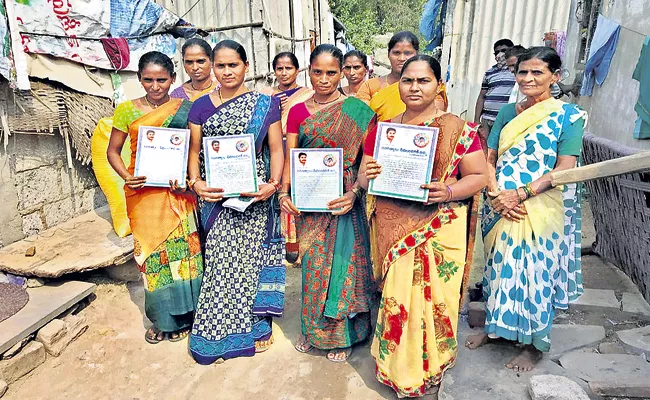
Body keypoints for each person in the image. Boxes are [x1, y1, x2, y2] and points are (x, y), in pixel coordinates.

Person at [359, 54, 487, 397]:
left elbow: (478, 176)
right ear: (398, 84)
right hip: (394, 224)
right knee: (399, 297)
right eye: (407, 80)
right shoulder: (383, 130)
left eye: (423, 80)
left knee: (435, 301)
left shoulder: (459, 130)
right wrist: (365, 176)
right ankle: (400, 368)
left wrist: (447, 190)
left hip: (440, 224)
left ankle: (432, 364)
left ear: (438, 85)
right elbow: (363, 177)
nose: (414, 87)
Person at [466, 47, 586, 372]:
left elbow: (564, 169)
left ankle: (533, 346)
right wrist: (494, 193)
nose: (528, 79)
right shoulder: (506, 112)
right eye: (523, 72)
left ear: (555, 76)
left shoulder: (568, 117)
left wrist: (518, 195)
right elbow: (489, 157)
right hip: (498, 205)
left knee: (534, 276)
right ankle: (496, 330)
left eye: (537, 72)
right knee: (497, 270)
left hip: (538, 208)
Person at [186, 40, 285, 364]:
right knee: (221, 264)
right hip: (216, 198)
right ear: (213, 68)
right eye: (221, 66)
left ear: (245, 66)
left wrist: (273, 185)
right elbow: (194, 151)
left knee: (252, 263)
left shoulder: (265, 104)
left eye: (233, 65)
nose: (227, 72)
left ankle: (256, 326)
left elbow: (276, 149)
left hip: (254, 196)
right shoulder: (200, 106)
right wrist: (197, 183)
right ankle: (218, 333)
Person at [280, 44, 375, 363]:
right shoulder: (296, 111)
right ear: (308, 71)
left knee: (343, 266)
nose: (324, 79)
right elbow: (292, 159)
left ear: (343, 72)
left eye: (332, 72)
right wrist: (284, 192)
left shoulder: (358, 111)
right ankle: (313, 329)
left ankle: (344, 334)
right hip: (310, 203)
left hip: (345, 199)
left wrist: (356, 194)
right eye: (317, 72)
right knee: (314, 267)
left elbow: (367, 160)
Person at [106, 51, 203, 344]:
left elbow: (192, 151)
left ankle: (188, 317)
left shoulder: (186, 108)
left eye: (161, 80)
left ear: (173, 79)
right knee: (152, 259)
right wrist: (126, 175)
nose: (155, 86)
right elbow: (113, 151)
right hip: (143, 194)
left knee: (184, 256)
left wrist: (188, 180)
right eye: (148, 80)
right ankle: (163, 319)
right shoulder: (126, 110)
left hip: (177, 194)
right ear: (139, 79)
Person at [357, 31, 448, 120]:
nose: (401, 58)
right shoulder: (370, 86)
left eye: (407, 53)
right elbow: (360, 119)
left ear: (417, 54)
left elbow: (433, 119)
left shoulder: (430, 86)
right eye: (396, 53)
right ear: (388, 54)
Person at [474, 38, 515, 150]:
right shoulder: (489, 73)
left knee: (502, 149)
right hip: (487, 119)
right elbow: (482, 96)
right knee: (485, 149)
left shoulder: (517, 71)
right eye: (497, 52)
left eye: (504, 50)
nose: (500, 54)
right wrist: (477, 120)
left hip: (506, 120)